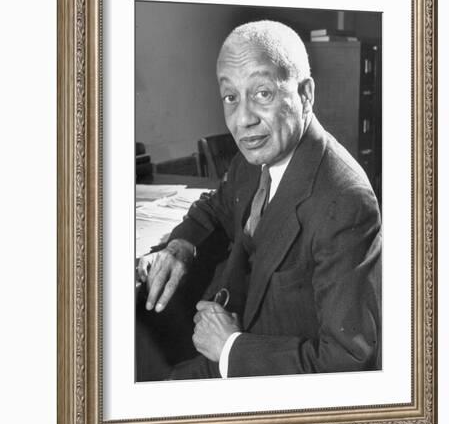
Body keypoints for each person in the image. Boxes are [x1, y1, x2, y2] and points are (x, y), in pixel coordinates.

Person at [137, 20, 381, 380]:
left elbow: (348, 362)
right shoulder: (257, 154)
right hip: (221, 322)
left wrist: (230, 347)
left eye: (262, 93)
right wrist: (179, 247)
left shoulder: (344, 201)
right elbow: (216, 205)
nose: (242, 120)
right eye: (231, 97)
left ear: (305, 94)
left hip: (265, 371)